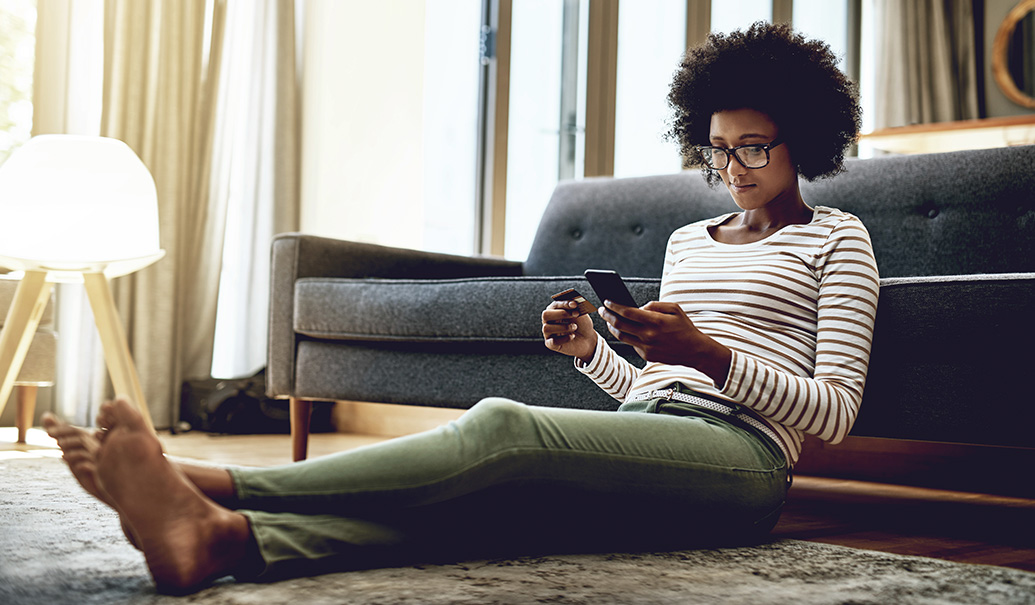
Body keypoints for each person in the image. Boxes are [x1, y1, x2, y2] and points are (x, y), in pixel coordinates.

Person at [43, 21, 877, 595]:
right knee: (495, 511)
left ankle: (210, 481)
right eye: (719, 148)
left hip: (743, 464)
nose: (733, 166)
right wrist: (592, 351)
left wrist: (709, 356)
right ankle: (220, 540)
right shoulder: (690, 239)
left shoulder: (838, 240)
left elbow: (836, 413)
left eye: (755, 147)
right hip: (668, 432)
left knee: (503, 428)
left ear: (803, 138)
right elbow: (642, 396)